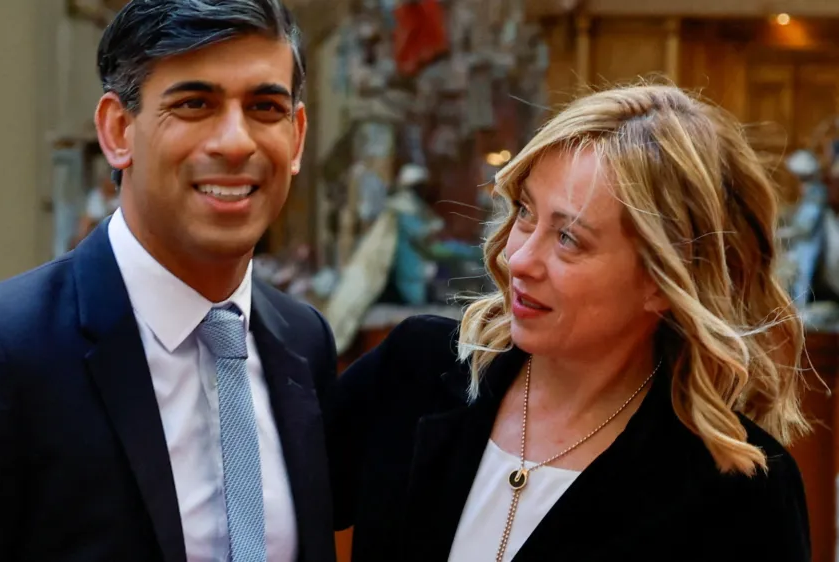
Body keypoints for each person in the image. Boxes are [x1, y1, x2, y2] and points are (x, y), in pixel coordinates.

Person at [0, 1, 338, 561]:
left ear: (298, 135)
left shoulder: (302, 341)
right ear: (118, 130)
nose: (235, 142)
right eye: (193, 104)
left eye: (264, 107)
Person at [326, 84, 812, 562]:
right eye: (524, 213)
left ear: (663, 281)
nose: (518, 260)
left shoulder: (738, 494)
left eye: (568, 238)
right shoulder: (416, 370)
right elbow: (263, 513)